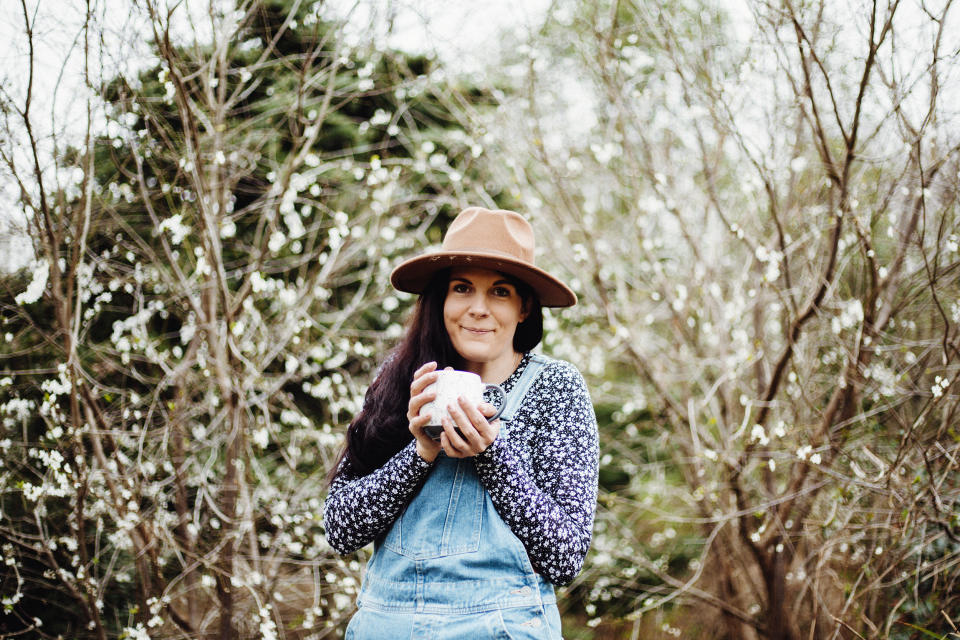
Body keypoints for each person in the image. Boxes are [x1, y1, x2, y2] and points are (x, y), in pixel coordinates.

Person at [323, 207, 599, 639]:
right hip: (386, 625)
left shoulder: (555, 388)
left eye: (500, 292)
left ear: (525, 307)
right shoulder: (399, 382)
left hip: (501, 627)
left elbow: (564, 557)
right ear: (441, 299)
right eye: (462, 288)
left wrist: (492, 454)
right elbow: (340, 528)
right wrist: (420, 453)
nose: (478, 309)